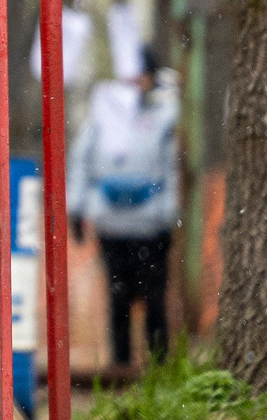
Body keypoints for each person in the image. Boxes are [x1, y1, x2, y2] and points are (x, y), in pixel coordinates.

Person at [67, 55, 181, 370]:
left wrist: (168, 215)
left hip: (151, 226)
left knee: (154, 299)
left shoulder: (165, 117)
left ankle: (160, 369)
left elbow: (171, 169)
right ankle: (121, 368)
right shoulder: (103, 115)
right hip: (112, 225)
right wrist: (76, 208)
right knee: (119, 299)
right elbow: (82, 161)